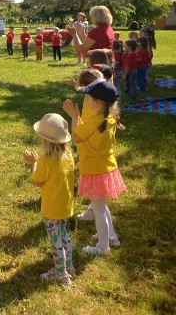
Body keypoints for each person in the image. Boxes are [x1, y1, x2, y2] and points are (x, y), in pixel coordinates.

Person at [63, 80, 125, 255]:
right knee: (102, 207)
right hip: (107, 168)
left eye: (88, 97)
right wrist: (78, 119)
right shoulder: (110, 118)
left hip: (95, 170)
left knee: (98, 211)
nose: (86, 100)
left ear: (97, 103)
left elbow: (76, 136)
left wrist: (74, 117)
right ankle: (112, 237)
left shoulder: (95, 122)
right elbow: (86, 132)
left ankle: (103, 248)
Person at [22, 113, 75, 286]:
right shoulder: (69, 157)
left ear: (44, 140)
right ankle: (69, 267)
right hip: (65, 206)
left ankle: (61, 275)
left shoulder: (45, 161)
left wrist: (33, 163)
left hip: (51, 209)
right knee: (65, 236)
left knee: (56, 243)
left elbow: (37, 181)